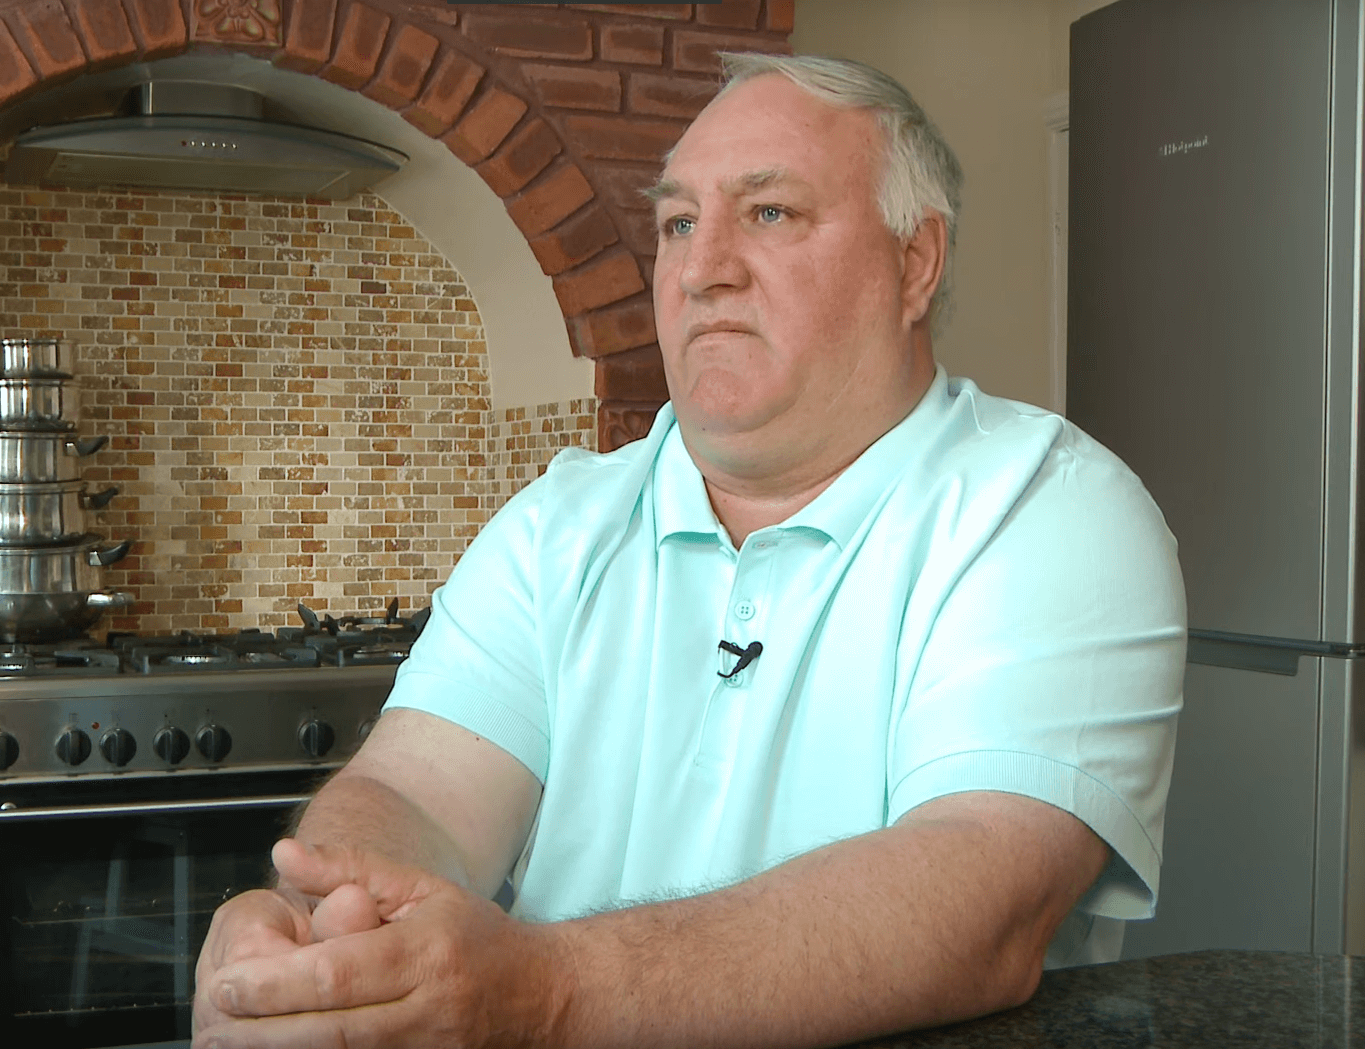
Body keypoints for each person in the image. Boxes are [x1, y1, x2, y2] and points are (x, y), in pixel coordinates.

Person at [191, 52, 1186, 1049]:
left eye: (769, 213)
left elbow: (980, 892)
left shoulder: (1044, 509)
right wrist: (324, 928)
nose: (703, 267)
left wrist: (543, 992)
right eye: (677, 223)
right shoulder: (559, 523)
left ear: (915, 261)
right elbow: (414, 794)